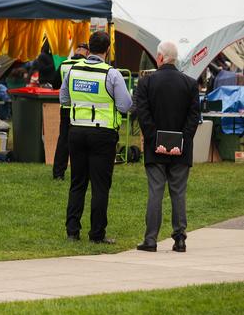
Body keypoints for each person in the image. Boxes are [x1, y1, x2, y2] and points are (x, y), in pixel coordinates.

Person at [60, 31, 132, 244]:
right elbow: (125, 105)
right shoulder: (112, 74)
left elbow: (63, 98)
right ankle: (97, 234)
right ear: (107, 50)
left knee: (77, 183)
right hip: (103, 134)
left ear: (88, 48)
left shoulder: (72, 70)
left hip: (77, 131)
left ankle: (72, 231)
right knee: (100, 186)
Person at [135, 40, 200, 253]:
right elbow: (193, 117)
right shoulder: (190, 84)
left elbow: (143, 116)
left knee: (155, 192)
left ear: (160, 57)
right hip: (181, 149)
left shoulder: (146, 83)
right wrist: (181, 141)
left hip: (155, 148)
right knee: (178, 193)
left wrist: (156, 141)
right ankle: (180, 238)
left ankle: (151, 239)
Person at [51, 43, 90, 180]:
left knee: (63, 140)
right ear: (87, 52)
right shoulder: (86, 65)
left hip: (66, 108)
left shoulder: (64, 64)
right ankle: (79, 173)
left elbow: (54, 83)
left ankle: (58, 173)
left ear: (76, 51)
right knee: (81, 141)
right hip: (81, 108)